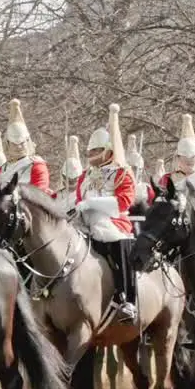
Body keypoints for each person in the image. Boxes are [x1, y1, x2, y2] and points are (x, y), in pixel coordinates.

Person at [73, 103, 138, 322]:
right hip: (84, 220)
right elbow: (79, 198)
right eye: (90, 151)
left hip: (114, 222)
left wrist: (93, 203)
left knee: (119, 242)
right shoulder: (85, 175)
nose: (91, 155)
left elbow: (123, 202)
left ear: (109, 150)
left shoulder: (122, 173)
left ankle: (127, 299)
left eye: (96, 151)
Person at [0, 99, 52, 195]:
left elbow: (39, 192)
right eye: (14, 144)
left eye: (22, 143)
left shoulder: (36, 165)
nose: (19, 147)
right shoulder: (1, 169)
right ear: (8, 144)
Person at [56, 135, 83, 213]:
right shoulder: (56, 197)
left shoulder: (86, 194)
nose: (72, 184)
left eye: (74, 180)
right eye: (69, 181)